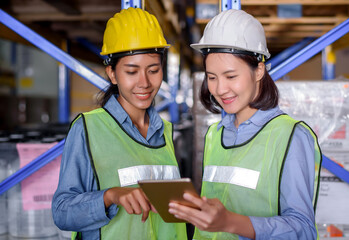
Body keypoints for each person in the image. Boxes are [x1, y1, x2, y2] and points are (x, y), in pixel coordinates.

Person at [168, 9, 322, 240]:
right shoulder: (214, 134)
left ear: (259, 70)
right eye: (212, 77)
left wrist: (231, 222)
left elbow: (303, 230)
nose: (220, 89)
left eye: (231, 76)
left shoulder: (290, 135)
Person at [52, 7, 187, 240]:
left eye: (153, 70)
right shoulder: (88, 129)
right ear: (112, 74)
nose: (144, 82)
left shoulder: (165, 130)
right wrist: (109, 197)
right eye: (131, 71)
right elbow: (62, 212)